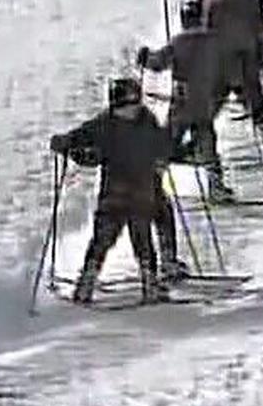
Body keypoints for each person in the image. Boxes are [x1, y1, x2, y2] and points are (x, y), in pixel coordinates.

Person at [50, 78, 175, 305]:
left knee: (103, 238)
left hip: (114, 195)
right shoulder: (145, 121)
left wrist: (66, 144)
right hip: (142, 194)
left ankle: (87, 282)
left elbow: (85, 142)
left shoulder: (106, 123)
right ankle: (150, 282)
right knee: (142, 238)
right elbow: (163, 145)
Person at [140, 0, 235, 204]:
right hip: (206, 103)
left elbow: (157, 64)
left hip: (182, 104)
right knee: (209, 146)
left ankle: (151, 189)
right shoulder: (215, 41)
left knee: (164, 147)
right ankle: (217, 188)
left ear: (184, 20)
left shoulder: (178, 42)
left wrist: (145, 57)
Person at [192, 0, 263, 160]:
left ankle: (207, 160)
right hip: (243, 53)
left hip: (219, 58)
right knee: (254, 97)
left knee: (207, 111)